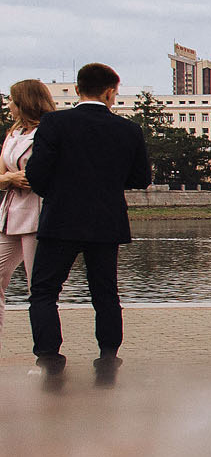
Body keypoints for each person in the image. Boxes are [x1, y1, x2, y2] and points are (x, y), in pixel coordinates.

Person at [26, 63, 152, 379]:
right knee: (106, 294)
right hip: (107, 221)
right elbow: (141, 178)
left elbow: (36, 174)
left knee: (44, 292)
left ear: (78, 89)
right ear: (110, 91)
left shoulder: (54, 123)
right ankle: (108, 360)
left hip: (60, 220)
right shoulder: (129, 130)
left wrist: (57, 193)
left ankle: (50, 360)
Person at [1, 79, 55, 339]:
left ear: (25, 102)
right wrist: (11, 179)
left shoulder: (49, 132)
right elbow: (2, 175)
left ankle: (46, 354)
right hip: (9, 214)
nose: (8, 105)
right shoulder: (13, 134)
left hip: (38, 214)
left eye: (12, 100)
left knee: (39, 287)